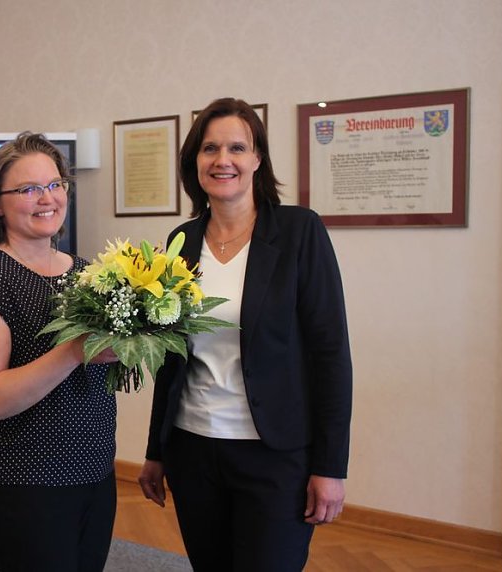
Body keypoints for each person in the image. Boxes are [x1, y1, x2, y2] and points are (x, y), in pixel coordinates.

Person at [138, 98, 353, 571]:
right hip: (193, 448)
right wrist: (156, 451)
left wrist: (330, 466)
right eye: (209, 148)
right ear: (194, 162)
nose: (223, 159)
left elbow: (331, 355)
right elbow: (172, 358)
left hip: (275, 455)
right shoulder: (181, 243)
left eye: (237, 147)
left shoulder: (299, 232)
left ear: (258, 159)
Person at [0, 132, 120, 572]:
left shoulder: (85, 273)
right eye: (27, 189)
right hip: (28, 484)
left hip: (97, 473)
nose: (46, 198)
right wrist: (73, 352)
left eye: (54, 184)